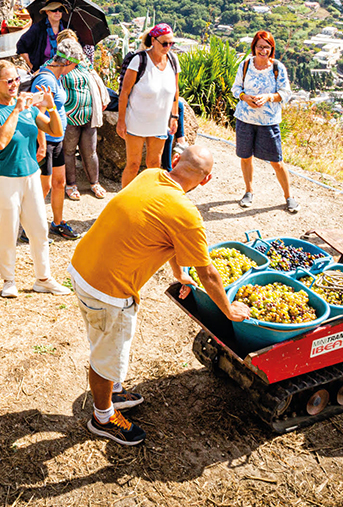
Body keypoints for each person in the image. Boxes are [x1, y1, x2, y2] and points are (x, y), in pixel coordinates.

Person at [68, 146, 251, 446]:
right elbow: (208, 274)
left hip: (83, 267)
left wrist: (180, 274)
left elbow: (167, 237)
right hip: (108, 291)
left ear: (175, 160)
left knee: (101, 341)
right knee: (105, 357)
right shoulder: (186, 214)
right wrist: (228, 310)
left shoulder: (150, 175)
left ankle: (113, 392)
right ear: (206, 180)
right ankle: (102, 417)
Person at [0, 59, 72, 299]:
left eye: (16, 80)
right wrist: (16, 110)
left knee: (39, 230)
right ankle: (9, 280)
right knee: (8, 232)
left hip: (31, 175)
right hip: (6, 179)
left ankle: (43, 279)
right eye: (8, 81)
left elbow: (56, 131)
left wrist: (51, 107)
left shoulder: (31, 109)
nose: (14, 84)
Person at [232, 30, 297, 214]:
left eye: (267, 47)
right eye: (260, 47)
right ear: (254, 47)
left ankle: (289, 197)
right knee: (245, 157)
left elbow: (285, 93)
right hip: (245, 119)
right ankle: (249, 191)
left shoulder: (277, 67)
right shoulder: (245, 65)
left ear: (271, 49)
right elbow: (235, 88)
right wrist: (245, 97)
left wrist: (268, 97)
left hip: (268, 121)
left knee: (277, 161)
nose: (263, 51)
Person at [117, 24, 180, 189]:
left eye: (171, 43)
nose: (168, 47)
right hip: (136, 121)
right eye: (164, 43)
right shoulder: (139, 60)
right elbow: (124, 92)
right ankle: (125, 199)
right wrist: (121, 121)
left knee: (154, 165)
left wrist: (174, 116)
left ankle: (148, 197)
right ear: (153, 41)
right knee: (133, 164)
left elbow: (175, 90)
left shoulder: (173, 60)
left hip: (160, 122)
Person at [32, 38, 84, 240]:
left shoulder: (56, 75)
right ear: (68, 62)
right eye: (75, 65)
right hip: (46, 141)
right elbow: (38, 113)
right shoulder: (46, 80)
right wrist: (41, 144)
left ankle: (57, 223)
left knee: (59, 182)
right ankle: (30, 227)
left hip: (57, 140)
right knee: (43, 186)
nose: (75, 69)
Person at [59, 30, 106, 200]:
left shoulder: (84, 62)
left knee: (90, 151)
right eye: (67, 43)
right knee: (69, 151)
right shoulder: (58, 63)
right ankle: (71, 184)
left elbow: (95, 80)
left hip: (88, 113)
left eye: (74, 42)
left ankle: (94, 183)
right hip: (70, 115)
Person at [17, 0, 68, 71]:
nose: (57, 12)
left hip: (63, 70)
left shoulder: (67, 28)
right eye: (54, 10)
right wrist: (31, 65)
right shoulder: (38, 28)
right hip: (43, 70)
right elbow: (21, 45)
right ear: (47, 11)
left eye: (60, 10)